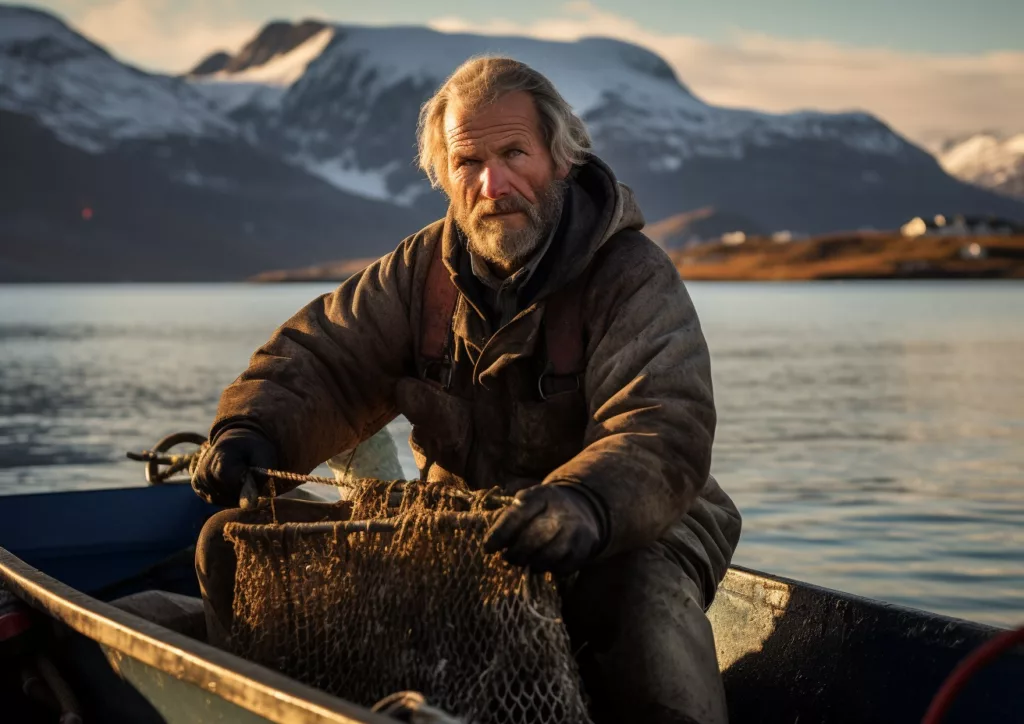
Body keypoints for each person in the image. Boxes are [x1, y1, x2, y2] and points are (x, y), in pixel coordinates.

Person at [191, 56, 742, 724]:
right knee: (228, 542)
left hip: (634, 525)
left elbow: (660, 428)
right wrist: (251, 431)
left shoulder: (633, 277)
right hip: (462, 527)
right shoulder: (419, 272)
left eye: (515, 153)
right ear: (445, 177)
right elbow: (325, 359)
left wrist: (584, 505)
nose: (493, 183)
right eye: (468, 162)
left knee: (642, 610)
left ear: (562, 158)